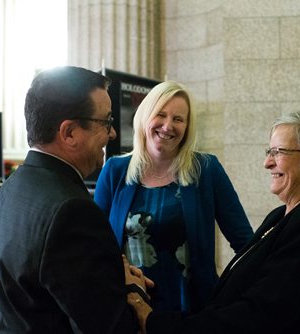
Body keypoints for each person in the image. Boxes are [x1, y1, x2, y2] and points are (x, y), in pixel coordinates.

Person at [127, 107, 300, 334]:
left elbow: (259, 316)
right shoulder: (283, 215)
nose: (267, 163)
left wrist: (155, 323)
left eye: (278, 152)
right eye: (268, 152)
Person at [0, 66, 150, 333]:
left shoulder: (12, 186)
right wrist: (133, 289)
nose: (113, 134)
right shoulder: (72, 213)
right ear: (69, 132)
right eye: (106, 122)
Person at [94, 80, 253, 313]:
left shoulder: (207, 169)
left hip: (191, 309)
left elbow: (246, 244)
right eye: (161, 115)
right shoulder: (115, 170)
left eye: (178, 119)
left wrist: (238, 298)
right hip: (129, 306)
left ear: (187, 127)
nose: (168, 126)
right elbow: (96, 245)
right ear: (145, 117)